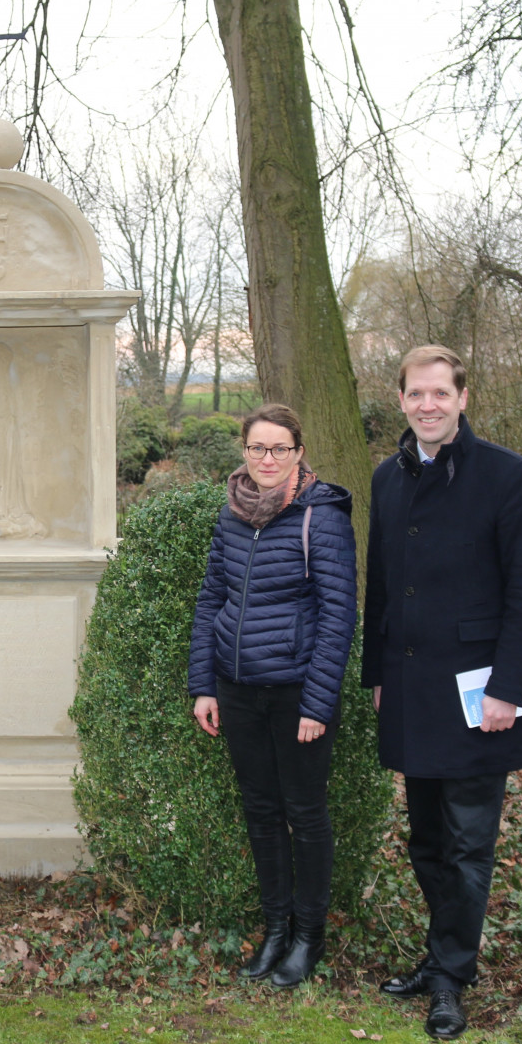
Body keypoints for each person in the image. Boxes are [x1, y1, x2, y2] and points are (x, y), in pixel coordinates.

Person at [363, 346, 522, 1040]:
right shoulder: (388, 478)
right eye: (417, 393)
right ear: (403, 399)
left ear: (462, 397)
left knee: (470, 844)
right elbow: (381, 585)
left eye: (441, 392)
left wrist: (507, 688)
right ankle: (443, 952)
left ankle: (450, 977)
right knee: (427, 841)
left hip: (479, 698)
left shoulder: (507, 476)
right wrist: (376, 674)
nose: (428, 404)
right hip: (411, 687)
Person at [189, 403, 357, 988]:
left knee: (305, 815)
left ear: (298, 453)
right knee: (261, 812)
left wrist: (318, 703)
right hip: (237, 690)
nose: (267, 459)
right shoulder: (233, 512)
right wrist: (203, 685)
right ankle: (276, 930)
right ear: (244, 452)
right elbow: (212, 598)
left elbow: (339, 615)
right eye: (257, 448)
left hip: (295, 693)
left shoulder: (322, 515)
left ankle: (309, 937)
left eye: (279, 449)